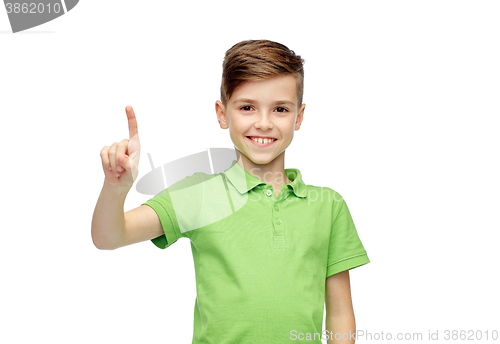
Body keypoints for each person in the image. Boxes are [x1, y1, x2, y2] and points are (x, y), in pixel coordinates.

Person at [91, 39, 370, 344]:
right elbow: (108, 237)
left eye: (280, 109)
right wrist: (115, 189)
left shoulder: (328, 206)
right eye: (247, 107)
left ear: (298, 117)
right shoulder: (199, 194)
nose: (263, 123)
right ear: (222, 113)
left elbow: (341, 315)